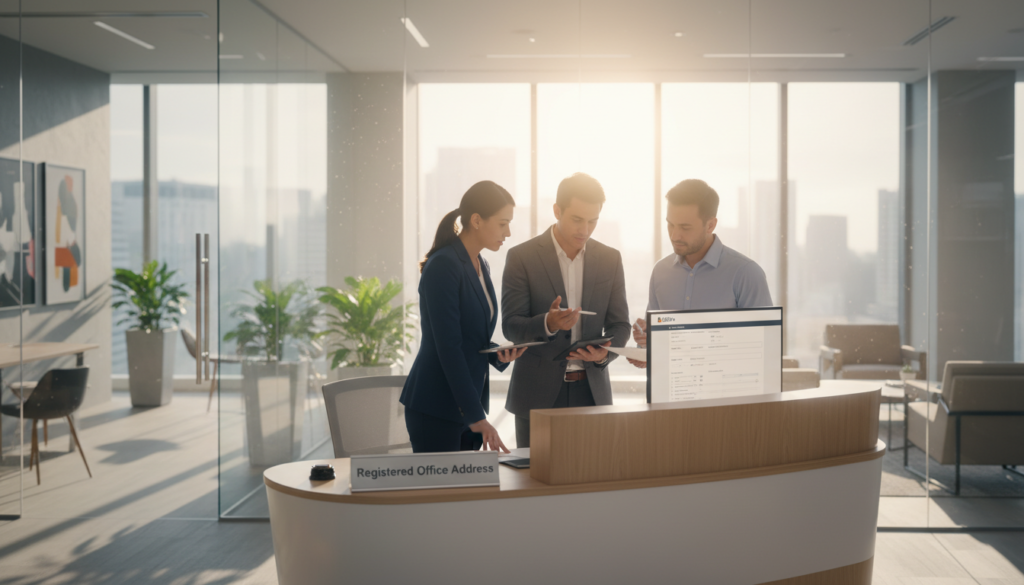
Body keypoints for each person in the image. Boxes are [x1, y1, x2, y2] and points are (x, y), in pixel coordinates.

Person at [501, 173, 630, 448]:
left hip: (592, 392)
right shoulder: (521, 257)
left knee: (592, 479)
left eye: (592, 221)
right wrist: (548, 323)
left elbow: (621, 325)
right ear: (557, 210)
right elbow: (511, 325)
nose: (585, 229)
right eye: (576, 219)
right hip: (536, 394)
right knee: (533, 483)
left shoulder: (610, 259)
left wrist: (605, 352)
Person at [400, 181, 526, 453]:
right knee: (442, 494)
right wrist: (477, 416)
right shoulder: (444, 265)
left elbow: (469, 337)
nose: (509, 232)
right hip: (437, 406)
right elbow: (447, 346)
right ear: (477, 220)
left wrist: (496, 353)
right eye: (503, 224)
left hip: (466, 404)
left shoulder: (481, 263)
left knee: (466, 493)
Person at [630, 179, 773, 366]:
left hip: (725, 392)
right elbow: (657, 347)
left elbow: (763, 350)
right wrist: (645, 348)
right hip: (669, 393)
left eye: (685, 227)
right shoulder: (660, 271)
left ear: (710, 225)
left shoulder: (745, 273)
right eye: (670, 225)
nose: (674, 235)